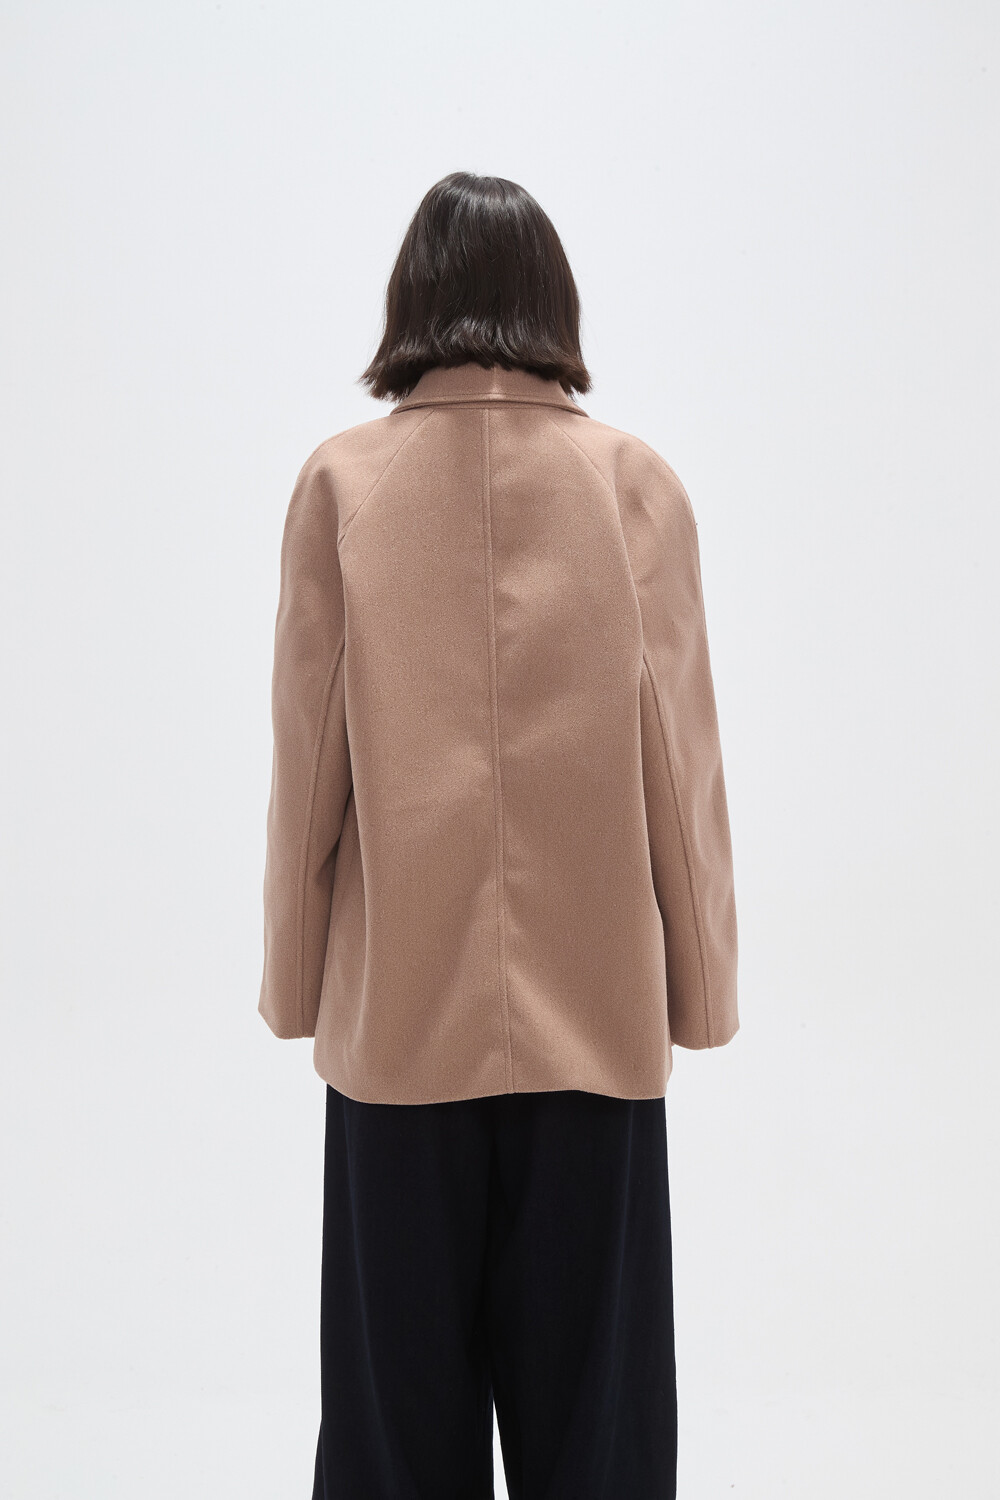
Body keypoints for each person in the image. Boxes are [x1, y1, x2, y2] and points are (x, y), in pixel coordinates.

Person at [257, 170, 739, 1500]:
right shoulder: (633, 484)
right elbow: (682, 762)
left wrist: (296, 982)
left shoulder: (342, 485)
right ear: (552, 303)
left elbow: (308, 764)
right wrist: (699, 990)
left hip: (398, 1030)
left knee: (392, 1446)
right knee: (600, 1442)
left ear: (410, 301)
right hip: (596, 1027)